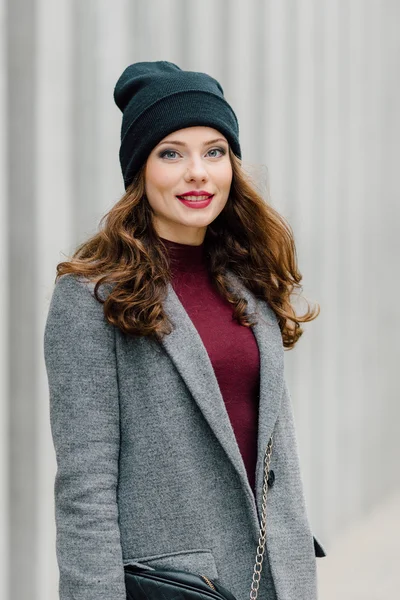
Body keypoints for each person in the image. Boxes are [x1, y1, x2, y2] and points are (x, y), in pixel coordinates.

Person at [43, 60, 326, 600]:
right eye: (171, 152)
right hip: (179, 586)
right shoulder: (91, 296)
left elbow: (274, 452)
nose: (198, 172)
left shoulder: (250, 278)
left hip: (274, 579)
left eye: (214, 152)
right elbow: (86, 489)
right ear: (140, 172)